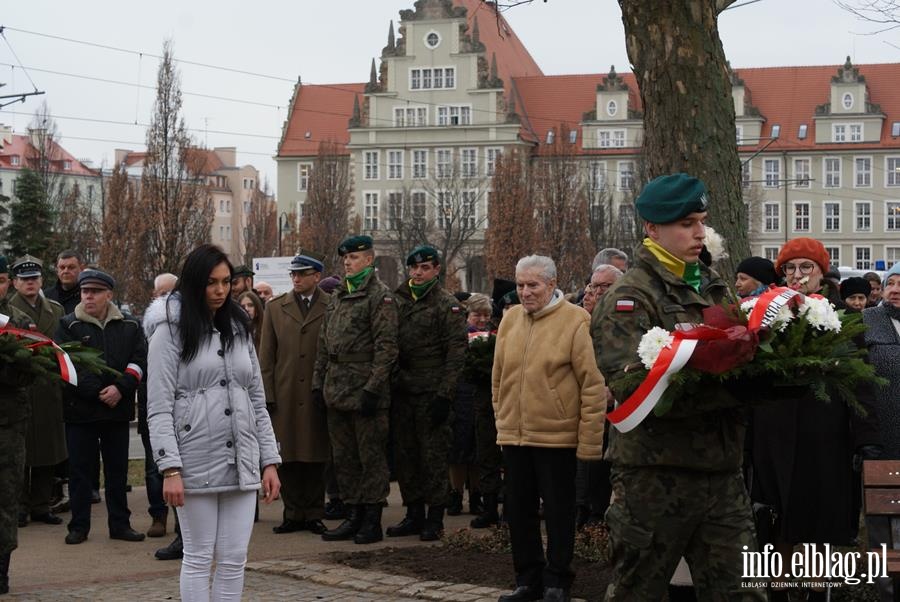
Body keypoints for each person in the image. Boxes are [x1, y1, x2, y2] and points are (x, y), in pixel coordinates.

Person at [593, 173, 766, 601]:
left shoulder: (711, 285)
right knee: (639, 592)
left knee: (744, 593)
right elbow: (634, 386)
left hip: (721, 475)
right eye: (687, 223)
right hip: (655, 478)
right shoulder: (630, 296)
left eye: (701, 222)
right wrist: (735, 389)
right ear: (652, 229)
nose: (698, 232)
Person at [146, 244, 281, 602]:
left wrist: (269, 460)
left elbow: (256, 399)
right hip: (193, 461)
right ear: (194, 283)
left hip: (242, 460)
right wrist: (170, 467)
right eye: (211, 282)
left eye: (226, 282)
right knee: (199, 556)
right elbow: (158, 407)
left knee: (235, 558)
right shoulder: (169, 331)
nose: (221, 290)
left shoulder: (239, 326)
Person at [751, 237, 881, 602]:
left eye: (805, 268)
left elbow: (861, 381)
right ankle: (778, 592)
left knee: (818, 523)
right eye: (789, 269)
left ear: (821, 273)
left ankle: (813, 592)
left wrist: (865, 438)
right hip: (772, 436)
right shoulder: (768, 313)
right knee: (777, 526)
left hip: (825, 437)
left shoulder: (843, 318)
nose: (797, 276)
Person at [493, 255, 605, 602]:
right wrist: (503, 421)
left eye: (533, 286)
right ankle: (527, 579)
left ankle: (557, 580)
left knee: (558, 511)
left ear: (552, 285)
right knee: (519, 510)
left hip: (556, 436)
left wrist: (589, 444)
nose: (525, 293)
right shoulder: (510, 320)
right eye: (521, 285)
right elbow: (498, 379)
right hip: (515, 435)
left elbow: (592, 385)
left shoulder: (575, 321)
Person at [313, 235, 398, 544]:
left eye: (354, 257)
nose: (348, 262)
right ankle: (353, 515)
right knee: (344, 459)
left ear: (369, 260)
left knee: (370, 458)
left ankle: (372, 520)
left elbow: (387, 348)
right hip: (336, 388)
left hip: (365, 392)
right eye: (346, 258)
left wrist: (373, 389)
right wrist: (317, 383)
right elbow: (324, 343)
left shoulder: (380, 296)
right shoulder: (338, 294)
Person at [55, 268, 147, 545]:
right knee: (80, 473)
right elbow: (65, 364)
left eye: (94, 292)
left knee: (117, 472)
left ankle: (120, 524)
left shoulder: (129, 325)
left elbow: (139, 360)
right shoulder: (68, 324)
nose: (88, 296)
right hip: (80, 412)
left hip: (116, 411)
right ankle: (78, 526)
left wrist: (121, 388)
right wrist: (96, 392)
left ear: (109, 294)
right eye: (85, 291)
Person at [387, 245, 466, 541]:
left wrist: (445, 395)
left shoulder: (447, 304)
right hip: (403, 389)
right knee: (406, 455)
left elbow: (456, 353)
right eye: (414, 268)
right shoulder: (398, 300)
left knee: (432, 456)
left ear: (436, 270)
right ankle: (413, 513)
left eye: (424, 268)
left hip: (432, 391)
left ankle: (435, 517)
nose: (418, 273)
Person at [259, 250, 330, 536]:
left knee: (315, 454)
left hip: (316, 391)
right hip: (285, 392)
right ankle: (292, 512)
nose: (296, 278)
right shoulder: (276, 308)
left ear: (317, 277)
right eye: (293, 274)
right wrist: (267, 395)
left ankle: (313, 512)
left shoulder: (331, 305)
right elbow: (266, 356)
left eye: (302, 274)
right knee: (287, 456)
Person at [9, 256, 67, 529]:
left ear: (42, 281)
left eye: (34, 279)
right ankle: (19, 506)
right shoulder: (7, 311)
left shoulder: (55, 310)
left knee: (46, 449)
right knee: (21, 451)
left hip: (48, 389)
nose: (30, 283)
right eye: (24, 279)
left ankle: (41, 505)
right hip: (18, 386)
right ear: (15, 283)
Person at [863, 262, 900, 602]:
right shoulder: (869, 321)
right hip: (882, 443)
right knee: (882, 523)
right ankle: (884, 592)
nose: (895, 289)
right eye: (891, 282)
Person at [0, 256, 36, 595]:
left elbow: (34, 367)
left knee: (5, 496)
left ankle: (1, 568)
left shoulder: (18, 321)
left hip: (7, 423)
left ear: (8, 282)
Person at [139, 275, 178, 544]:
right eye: (158, 293)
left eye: (168, 293)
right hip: (151, 402)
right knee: (154, 464)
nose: (162, 299)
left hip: (180, 404)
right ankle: (158, 515)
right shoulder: (144, 326)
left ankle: (181, 523)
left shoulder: (180, 327)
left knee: (179, 466)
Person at [465, 293, 504, 529]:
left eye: (486, 315)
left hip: (496, 402)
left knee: (497, 456)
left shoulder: (498, 335)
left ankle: (502, 507)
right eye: (477, 314)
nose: (481, 319)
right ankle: (486, 506)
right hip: (471, 401)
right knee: (482, 455)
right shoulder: (462, 337)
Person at [44, 250, 83, 314]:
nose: (66, 271)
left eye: (71, 267)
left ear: (81, 269)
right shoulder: (46, 297)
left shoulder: (87, 298)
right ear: (57, 270)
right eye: (62, 267)